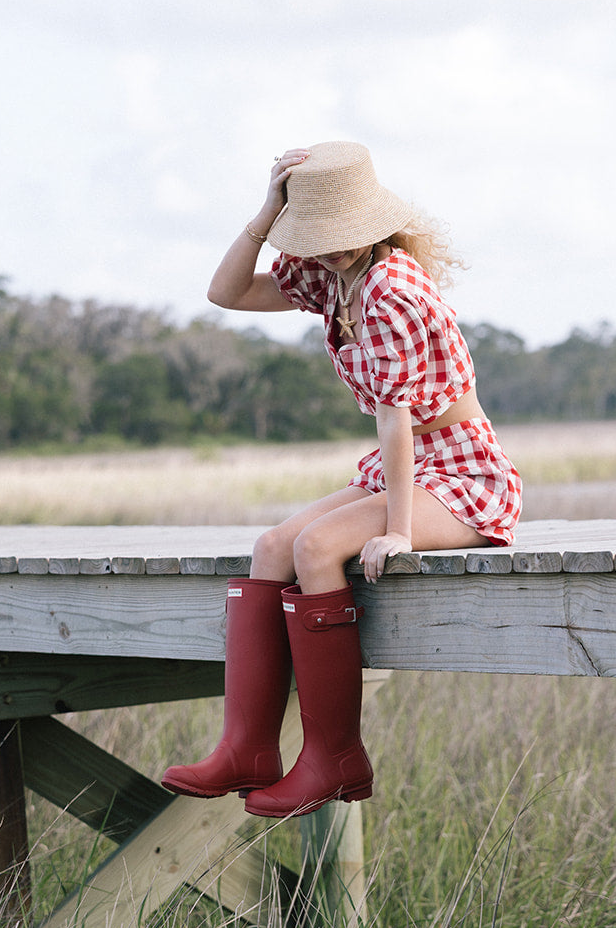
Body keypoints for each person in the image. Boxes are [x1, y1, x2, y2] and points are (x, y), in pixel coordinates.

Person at [162, 140, 521, 818]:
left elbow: (396, 422)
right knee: (272, 545)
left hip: (459, 470)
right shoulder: (332, 279)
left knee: (316, 548)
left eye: (338, 236)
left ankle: (334, 757)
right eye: (314, 235)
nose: (327, 249)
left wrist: (398, 531)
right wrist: (266, 213)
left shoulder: (391, 288)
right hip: (409, 464)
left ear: (369, 225)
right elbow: (226, 292)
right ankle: (247, 748)